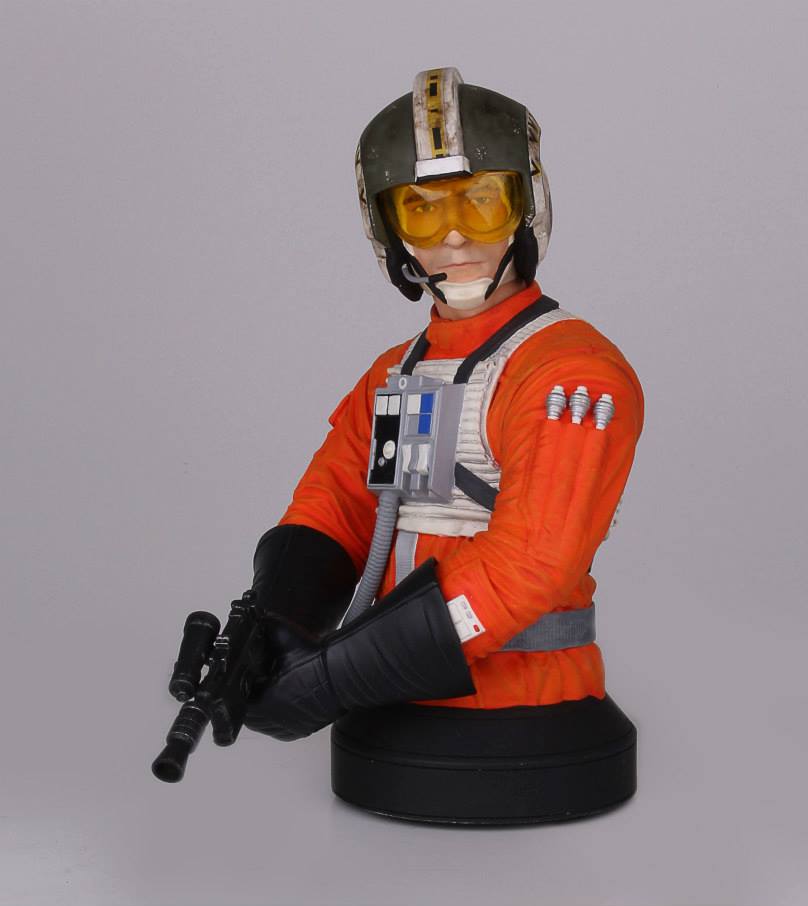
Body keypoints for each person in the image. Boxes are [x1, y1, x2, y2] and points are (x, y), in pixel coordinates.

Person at [243, 67, 645, 823]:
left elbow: (532, 563)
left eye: (482, 201)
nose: (454, 235)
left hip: (531, 700)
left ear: (527, 206)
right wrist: (276, 623)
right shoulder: (394, 373)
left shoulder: (570, 372)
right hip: (398, 694)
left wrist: (333, 679)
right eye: (421, 211)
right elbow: (338, 506)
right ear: (387, 229)